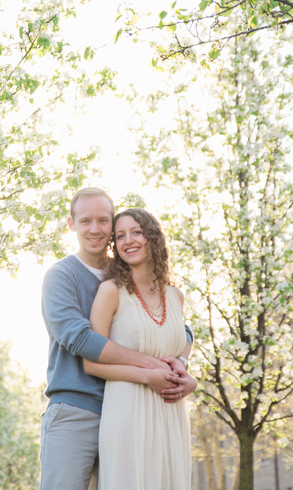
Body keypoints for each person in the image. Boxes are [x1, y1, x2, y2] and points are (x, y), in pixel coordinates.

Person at [40, 188, 196, 490]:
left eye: (103, 220)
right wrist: (151, 368)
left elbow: (179, 328)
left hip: (129, 409)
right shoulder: (61, 275)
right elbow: (80, 339)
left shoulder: (126, 272)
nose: (95, 229)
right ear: (71, 225)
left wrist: (180, 366)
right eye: (85, 221)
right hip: (76, 411)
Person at [83, 208, 193, 489]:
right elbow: (91, 364)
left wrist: (186, 373)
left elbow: (177, 349)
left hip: (171, 413)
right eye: (120, 236)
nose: (128, 240)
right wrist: (146, 376)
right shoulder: (110, 292)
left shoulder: (176, 295)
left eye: (136, 232)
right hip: (127, 411)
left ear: (152, 237)